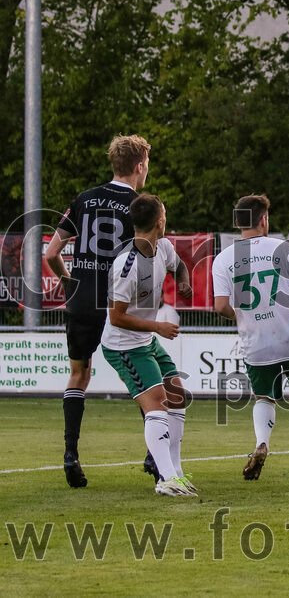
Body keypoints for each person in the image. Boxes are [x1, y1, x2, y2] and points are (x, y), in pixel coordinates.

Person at [44, 134, 152, 488]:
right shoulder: (142, 204)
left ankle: (70, 454)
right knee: (143, 377)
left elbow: (50, 253)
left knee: (78, 375)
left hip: (81, 300)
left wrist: (68, 281)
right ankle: (155, 456)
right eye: (146, 164)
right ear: (139, 166)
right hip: (117, 303)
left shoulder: (83, 199)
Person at [211, 195, 289, 482]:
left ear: (237, 222)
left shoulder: (223, 259)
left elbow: (220, 306)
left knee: (264, 397)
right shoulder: (281, 248)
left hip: (256, 342)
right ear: (263, 219)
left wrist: (240, 315)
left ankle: (261, 443)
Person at [100, 194, 196, 497]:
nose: (166, 218)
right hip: (123, 345)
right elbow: (116, 317)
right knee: (157, 403)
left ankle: (176, 473)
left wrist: (183, 280)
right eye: (165, 213)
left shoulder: (163, 247)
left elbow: (179, 266)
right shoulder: (125, 266)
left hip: (145, 341)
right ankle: (165, 479)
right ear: (159, 220)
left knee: (177, 395)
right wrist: (158, 326)